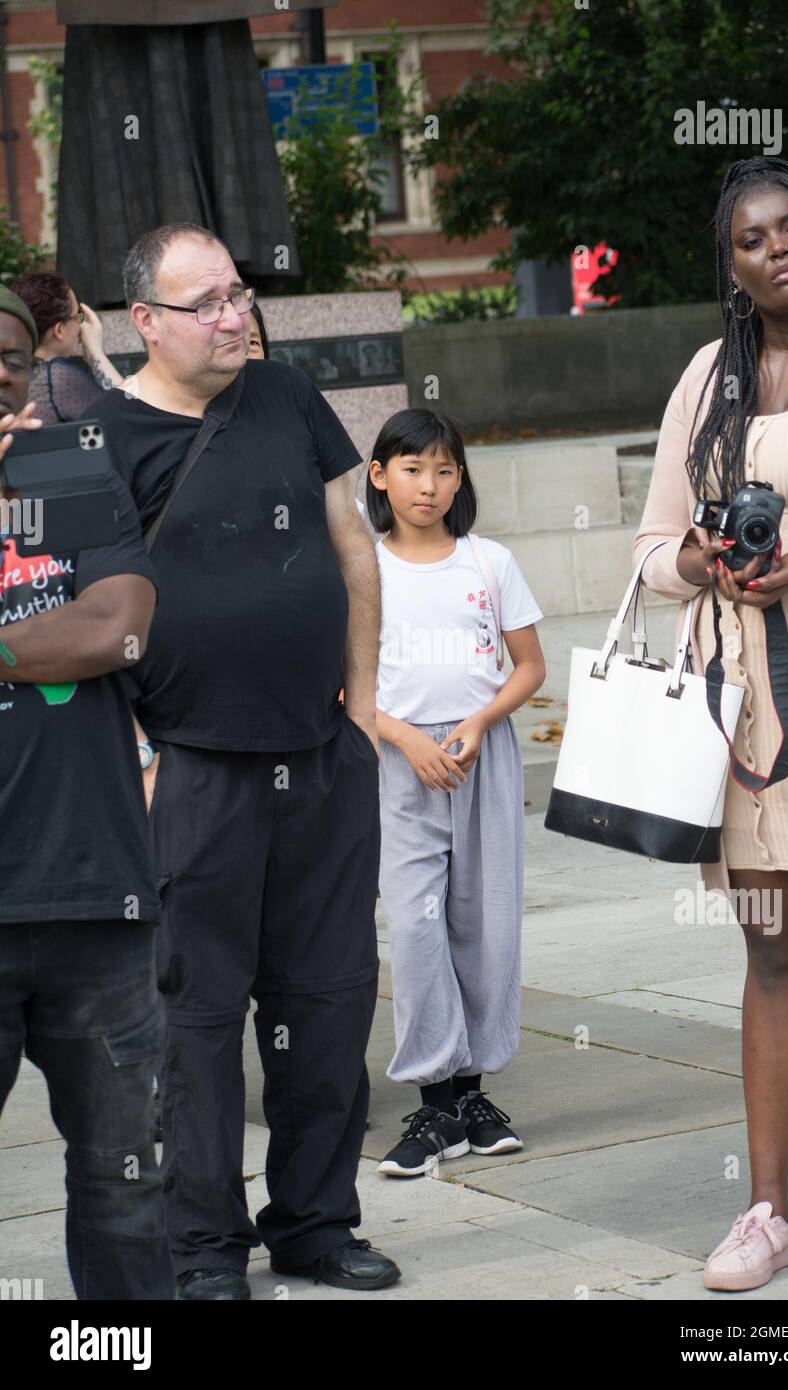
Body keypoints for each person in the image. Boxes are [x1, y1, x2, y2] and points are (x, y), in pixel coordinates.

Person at [81, 221, 399, 1299]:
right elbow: (86, 621)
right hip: (190, 769)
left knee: (328, 1000)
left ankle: (314, 1220)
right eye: (205, 303)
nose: (234, 317)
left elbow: (354, 546)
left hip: (321, 751)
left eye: (238, 295)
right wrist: (134, 756)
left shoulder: (287, 395)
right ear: (146, 323)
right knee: (197, 1020)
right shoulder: (106, 442)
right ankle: (203, 1247)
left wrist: (359, 705)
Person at [633, 156, 788, 1292]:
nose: (775, 248)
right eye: (748, 238)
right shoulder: (706, 378)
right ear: (726, 266)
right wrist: (703, 561)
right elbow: (648, 546)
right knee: (773, 948)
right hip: (746, 705)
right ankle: (765, 1209)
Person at [0, 285, 173, 1300]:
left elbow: (120, 628)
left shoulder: (70, 469)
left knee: (121, 1184)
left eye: (12, 355)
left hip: (96, 893)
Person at [367, 408, 546, 1177]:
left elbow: (530, 668)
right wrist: (406, 738)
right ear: (379, 475)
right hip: (397, 763)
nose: (428, 486)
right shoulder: (362, 570)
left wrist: (478, 723)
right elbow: (342, 686)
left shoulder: (488, 563)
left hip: (482, 757)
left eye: (444, 470)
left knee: (486, 924)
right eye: (411, 469)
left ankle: (471, 1096)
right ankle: (433, 1104)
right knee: (414, 928)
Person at [11, 272, 123, 423]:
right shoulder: (55, 378)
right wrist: (96, 353)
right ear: (60, 330)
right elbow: (134, 418)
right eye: (78, 316)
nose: (81, 325)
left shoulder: (14, 373)